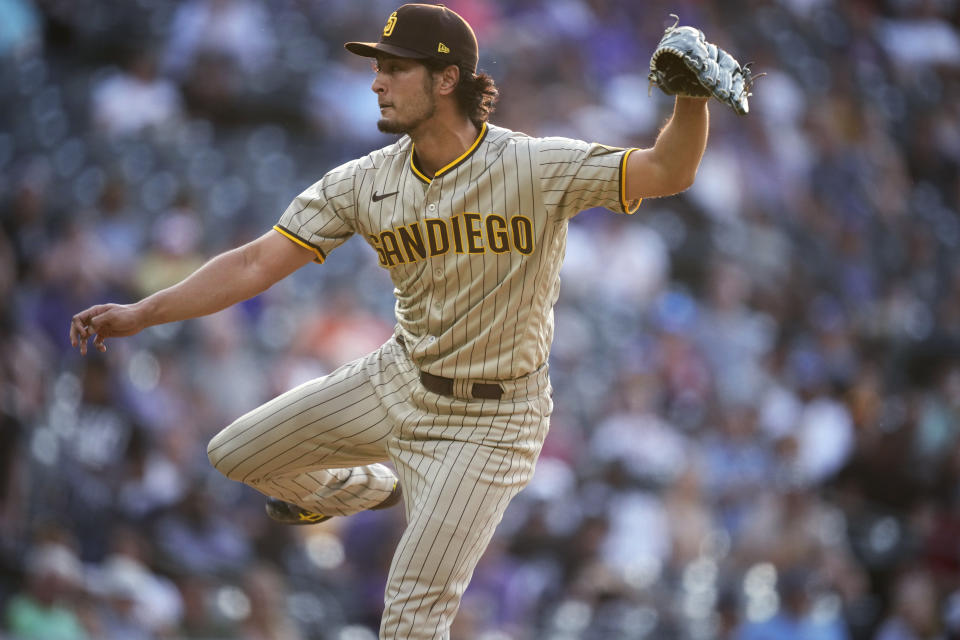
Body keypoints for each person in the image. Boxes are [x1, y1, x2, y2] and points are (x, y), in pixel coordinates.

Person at [70, 4, 711, 638]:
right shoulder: (363, 182)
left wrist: (690, 100)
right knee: (236, 453)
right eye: (377, 67)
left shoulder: (533, 167)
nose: (376, 80)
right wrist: (144, 312)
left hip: (490, 422)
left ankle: (391, 486)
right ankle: (374, 488)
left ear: (446, 79)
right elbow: (254, 263)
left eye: (395, 68)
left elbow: (668, 170)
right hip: (398, 378)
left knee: (408, 617)